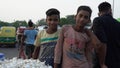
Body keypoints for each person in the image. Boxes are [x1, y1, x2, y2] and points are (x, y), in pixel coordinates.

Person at [92, 2, 120, 68]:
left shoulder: (98, 20)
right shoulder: (118, 24)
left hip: (103, 63)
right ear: (110, 10)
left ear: (99, 12)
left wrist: (102, 63)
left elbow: (102, 41)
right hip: (117, 62)